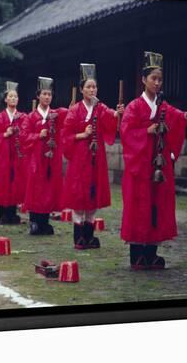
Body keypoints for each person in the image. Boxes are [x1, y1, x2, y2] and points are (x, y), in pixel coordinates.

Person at [120, 51, 187, 269]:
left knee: (156, 206)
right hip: (140, 166)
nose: (157, 82)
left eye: (160, 79)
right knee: (138, 208)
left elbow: (176, 117)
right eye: (153, 78)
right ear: (143, 80)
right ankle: (137, 255)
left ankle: (151, 252)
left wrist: (185, 116)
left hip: (158, 167)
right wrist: (147, 131)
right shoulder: (134, 106)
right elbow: (126, 133)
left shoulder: (163, 106)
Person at [62, 64, 124, 249]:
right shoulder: (75, 110)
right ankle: (78, 237)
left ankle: (89, 236)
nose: (91, 89)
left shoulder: (100, 107)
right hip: (80, 159)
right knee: (79, 196)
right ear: (81, 90)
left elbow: (112, 118)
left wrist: (118, 113)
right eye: (88, 87)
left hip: (96, 159)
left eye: (94, 87)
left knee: (92, 196)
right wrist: (82, 134)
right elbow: (66, 135)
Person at [20, 77, 67, 235]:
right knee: (36, 189)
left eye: (49, 94)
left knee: (49, 189)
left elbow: (69, 117)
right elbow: (23, 137)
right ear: (38, 96)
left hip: (51, 158)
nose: (47, 97)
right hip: (36, 159)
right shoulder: (31, 117)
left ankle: (44, 221)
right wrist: (38, 135)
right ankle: (34, 220)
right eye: (44, 94)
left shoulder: (55, 114)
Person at [0, 81, 27, 224]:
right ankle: (3, 214)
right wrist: (5, 135)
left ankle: (13, 213)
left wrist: (19, 133)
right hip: (2, 157)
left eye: (15, 97)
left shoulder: (22, 117)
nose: (13, 99)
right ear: (6, 99)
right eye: (10, 96)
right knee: (3, 182)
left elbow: (26, 133)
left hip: (16, 156)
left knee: (15, 182)